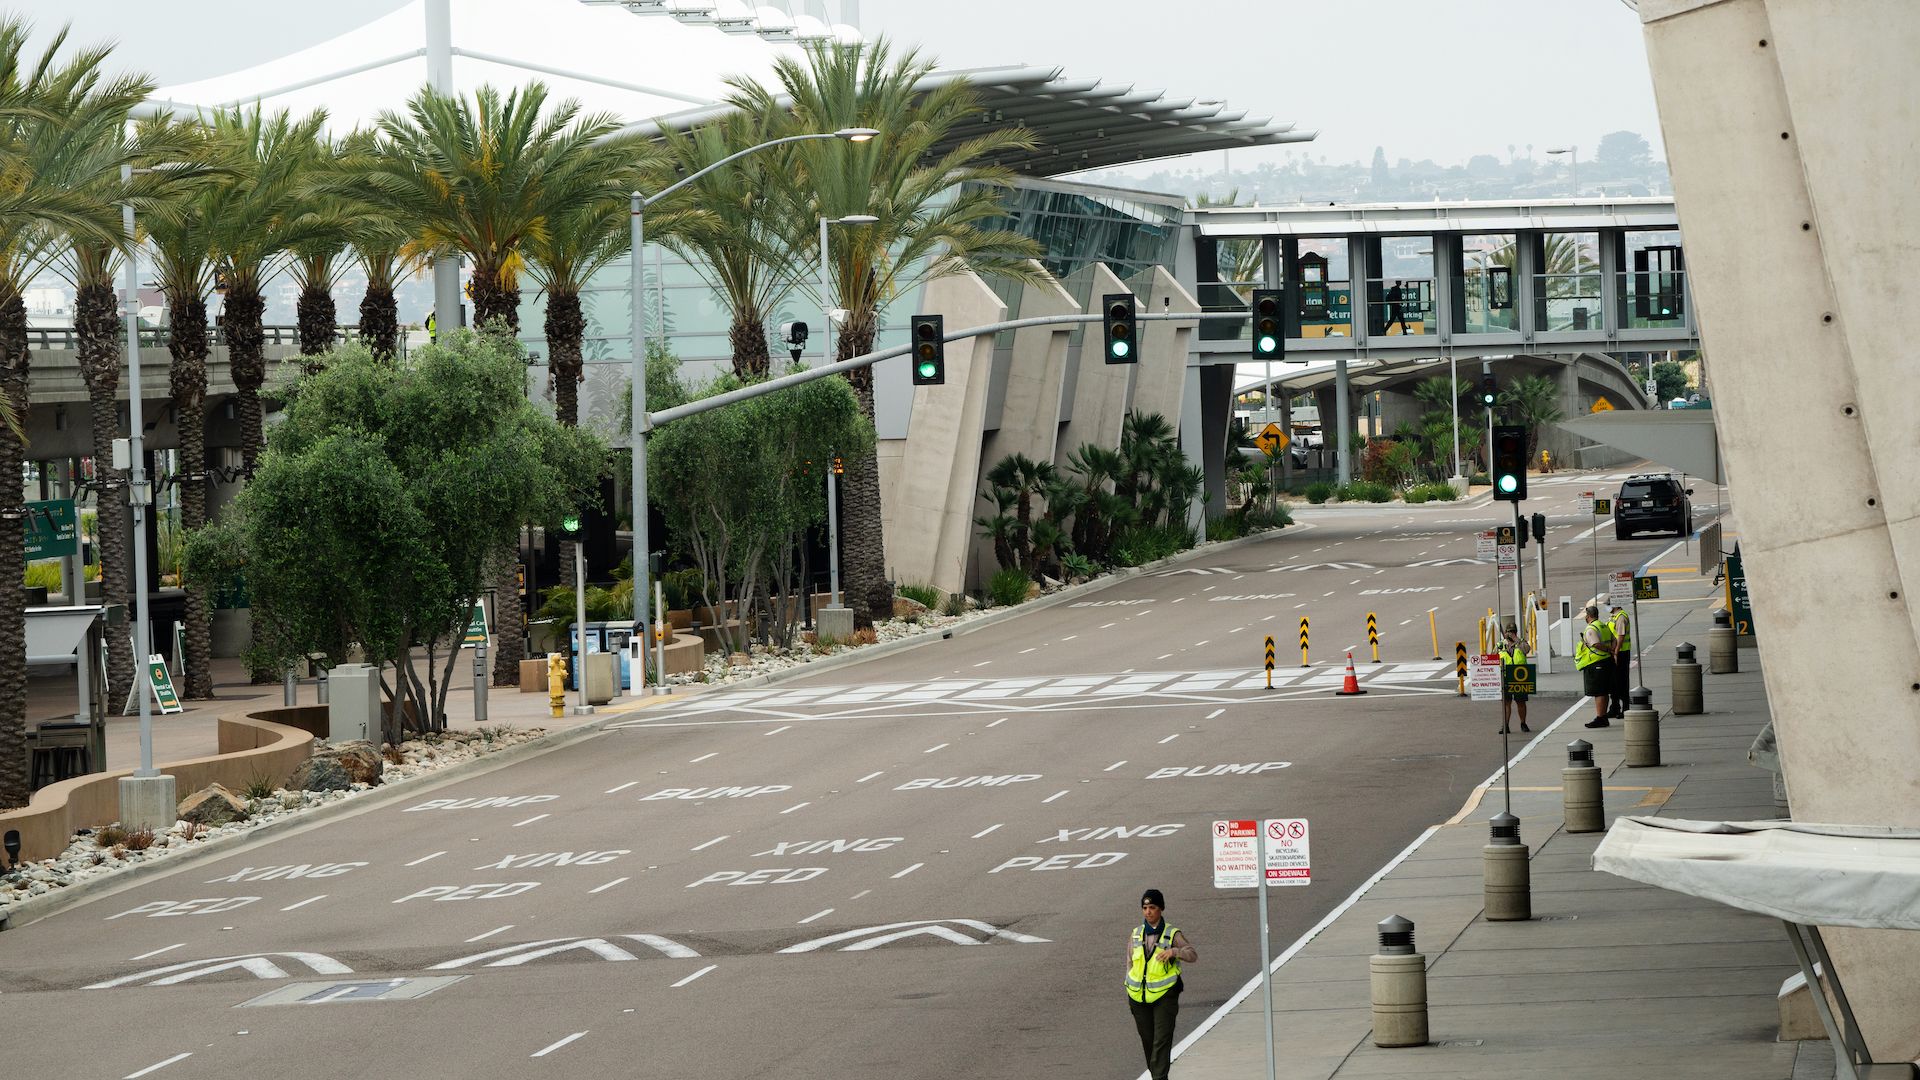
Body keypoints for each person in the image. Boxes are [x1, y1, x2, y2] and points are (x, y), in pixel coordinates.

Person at [1126, 888, 1197, 1080]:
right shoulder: (1136, 934)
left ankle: (1159, 1078)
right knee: (1148, 1041)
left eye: (1152, 907)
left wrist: (1174, 952)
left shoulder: (1172, 933)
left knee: (1161, 1040)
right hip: (1138, 997)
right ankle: (1158, 1075)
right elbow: (1130, 963)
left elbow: (1192, 954)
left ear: (1161, 909)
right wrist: (1129, 987)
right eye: (1145, 907)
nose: (1148, 911)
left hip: (1164, 997)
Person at [1578, 603, 1618, 727]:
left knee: (1599, 692)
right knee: (1605, 691)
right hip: (1607, 662)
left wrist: (1607, 649)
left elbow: (1595, 644)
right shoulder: (1603, 626)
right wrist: (1611, 650)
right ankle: (1603, 716)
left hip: (1596, 663)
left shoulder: (1591, 628)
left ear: (1588, 616)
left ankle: (1600, 718)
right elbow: (1615, 640)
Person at [1499, 625, 1530, 734]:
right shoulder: (1501, 644)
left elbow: (1527, 650)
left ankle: (1523, 723)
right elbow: (1493, 656)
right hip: (1505, 676)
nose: (1510, 633)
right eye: (1508, 632)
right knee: (1506, 702)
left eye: (1513, 632)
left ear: (1516, 632)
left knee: (1520, 702)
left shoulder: (1521, 642)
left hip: (1519, 676)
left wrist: (1516, 640)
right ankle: (1505, 725)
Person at [1608, 603, 1634, 718]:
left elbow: (1621, 636)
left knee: (1622, 681)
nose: (1606, 607)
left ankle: (1626, 707)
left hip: (1621, 653)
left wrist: (1616, 653)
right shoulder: (1613, 616)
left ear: (1614, 605)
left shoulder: (1621, 617)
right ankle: (1615, 707)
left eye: (1608, 605)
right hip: (1614, 653)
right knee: (1613, 681)